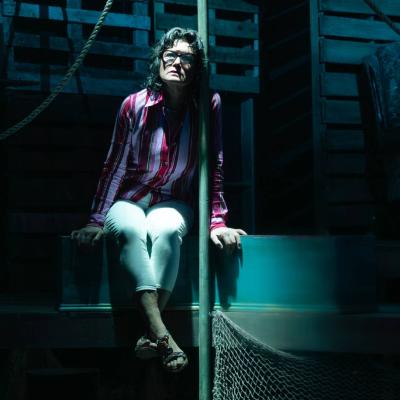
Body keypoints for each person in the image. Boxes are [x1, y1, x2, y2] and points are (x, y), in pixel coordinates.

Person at [71, 27, 247, 373]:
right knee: (130, 229)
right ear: (159, 60)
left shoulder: (208, 104)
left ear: (197, 68)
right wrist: (95, 220)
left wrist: (217, 221)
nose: (177, 62)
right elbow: (114, 165)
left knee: (165, 230)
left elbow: (214, 164)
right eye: (171, 55)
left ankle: (151, 331)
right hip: (131, 196)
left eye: (187, 58)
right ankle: (162, 334)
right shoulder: (134, 105)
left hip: (174, 198)